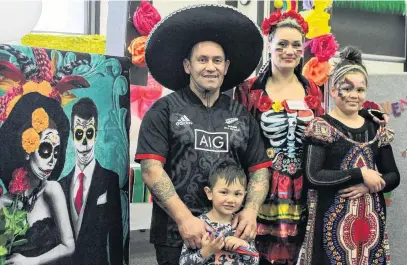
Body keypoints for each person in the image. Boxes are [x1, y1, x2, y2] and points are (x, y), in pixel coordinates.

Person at [233, 9, 389, 265]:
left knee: (302, 253)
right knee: (256, 254)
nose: (289, 51)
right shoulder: (249, 90)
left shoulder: (313, 90)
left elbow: (333, 124)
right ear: (269, 44)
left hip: (305, 185)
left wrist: (368, 113)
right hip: (261, 188)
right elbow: (238, 146)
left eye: (296, 45)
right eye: (282, 44)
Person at [135, 4, 271, 265]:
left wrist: (252, 210)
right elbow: (151, 170)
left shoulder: (242, 116)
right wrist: (185, 219)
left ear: (226, 66)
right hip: (177, 234)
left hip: (230, 236)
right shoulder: (164, 111)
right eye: (202, 60)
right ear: (187, 65)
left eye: (217, 60)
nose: (211, 67)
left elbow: (260, 170)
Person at [300, 46, 400, 265]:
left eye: (360, 90)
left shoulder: (375, 128)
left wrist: (370, 185)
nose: (355, 95)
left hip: (369, 231)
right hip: (330, 230)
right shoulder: (321, 127)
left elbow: (393, 176)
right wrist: (360, 173)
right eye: (348, 88)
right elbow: (313, 176)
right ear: (334, 90)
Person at [0, 92, 74, 265]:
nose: (52, 161)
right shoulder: (4, 202)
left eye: (56, 153)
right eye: (45, 150)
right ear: (27, 150)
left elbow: (69, 245)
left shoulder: (52, 190)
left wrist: (32, 261)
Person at [59, 98, 123, 265]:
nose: (85, 142)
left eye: (89, 133)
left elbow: (115, 234)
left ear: (95, 135)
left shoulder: (110, 180)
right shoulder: (61, 186)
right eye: (79, 134)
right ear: (73, 136)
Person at [179, 161, 259, 265]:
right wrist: (206, 252)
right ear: (209, 193)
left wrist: (244, 246)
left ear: (244, 195)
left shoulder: (242, 225)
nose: (231, 199)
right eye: (224, 192)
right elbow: (183, 263)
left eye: (237, 194)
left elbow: (255, 261)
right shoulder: (198, 226)